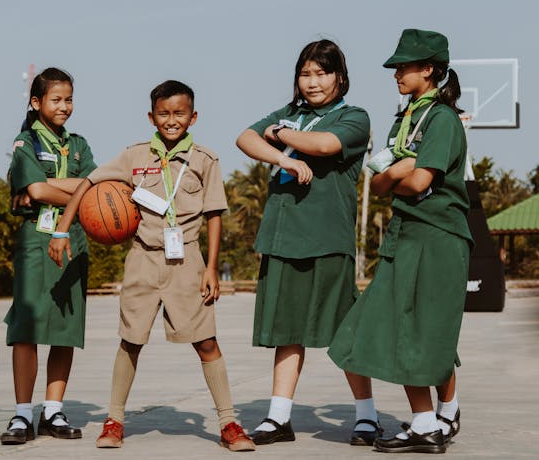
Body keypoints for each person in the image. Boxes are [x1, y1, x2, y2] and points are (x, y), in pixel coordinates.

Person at [48, 80, 256, 452]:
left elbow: (214, 216)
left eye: (179, 113)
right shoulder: (134, 156)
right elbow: (88, 184)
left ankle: (228, 422)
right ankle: (114, 421)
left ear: (193, 117)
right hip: (143, 258)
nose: (171, 120)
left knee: (206, 341)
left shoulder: (206, 160)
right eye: (164, 113)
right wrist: (62, 231)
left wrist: (211, 268)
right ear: (151, 116)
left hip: (187, 260)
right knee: (131, 341)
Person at [328, 29, 471, 454]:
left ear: (429, 69)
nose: (396, 73)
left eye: (404, 66)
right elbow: (389, 178)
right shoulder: (404, 117)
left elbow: (420, 180)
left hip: (438, 235)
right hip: (404, 234)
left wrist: (397, 175)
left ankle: (432, 420)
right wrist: (397, 172)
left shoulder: (441, 119)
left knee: (422, 330)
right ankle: (435, 417)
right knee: (388, 328)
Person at [235, 40, 378, 446]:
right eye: (305, 73)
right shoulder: (293, 113)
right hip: (282, 238)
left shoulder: (352, 116)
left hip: (327, 239)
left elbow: (325, 145)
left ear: (340, 76)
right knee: (286, 332)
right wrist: (282, 158)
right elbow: (245, 138)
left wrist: (279, 134)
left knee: (344, 332)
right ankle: (279, 417)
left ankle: (366, 416)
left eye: (322, 73)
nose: (312, 82)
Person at [0, 67, 97, 445]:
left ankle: (52, 410)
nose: (64, 106)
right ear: (36, 102)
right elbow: (39, 191)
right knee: (26, 329)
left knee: (64, 329)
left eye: (68, 99)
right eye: (56, 99)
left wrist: (48, 185)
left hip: (73, 239)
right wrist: (69, 188)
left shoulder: (80, 145)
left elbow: (96, 187)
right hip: (35, 242)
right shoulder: (25, 142)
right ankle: (23, 413)